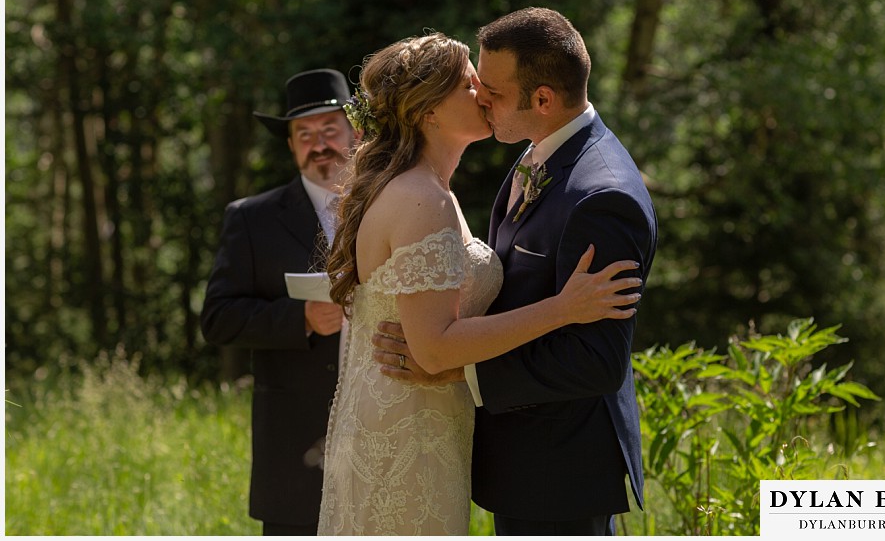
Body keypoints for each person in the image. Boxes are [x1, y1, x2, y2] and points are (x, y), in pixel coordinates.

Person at [316, 32, 642, 536]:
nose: (483, 95)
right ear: (428, 111)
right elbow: (435, 348)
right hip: (407, 428)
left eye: (486, 85)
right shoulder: (424, 199)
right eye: (471, 85)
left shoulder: (432, 188)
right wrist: (562, 308)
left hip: (434, 425)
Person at [200, 69, 361, 535]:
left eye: (329, 129)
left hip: (383, 427)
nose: (319, 144)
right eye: (304, 135)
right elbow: (217, 318)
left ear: (354, 132)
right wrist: (302, 319)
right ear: (291, 146)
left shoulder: (388, 203)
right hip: (294, 440)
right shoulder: (252, 219)